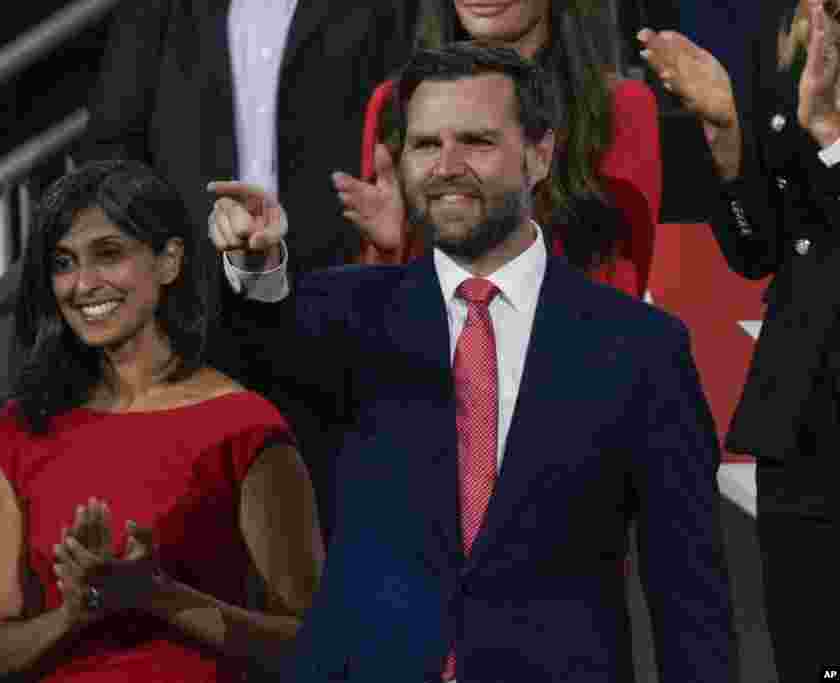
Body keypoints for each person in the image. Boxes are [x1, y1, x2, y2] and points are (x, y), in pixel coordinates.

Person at [208, 44, 733, 682]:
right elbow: (250, 363)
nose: (447, 167)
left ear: (539, 156)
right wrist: (255, 271)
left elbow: (689, 594)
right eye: (426, 145)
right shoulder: (342, 316)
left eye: (477, 142)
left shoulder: (641, 348)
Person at [0, 160, 325, 682]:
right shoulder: (23, 430)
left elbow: (312, 645)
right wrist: (76, 611)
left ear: (168, 261)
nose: (83, 284)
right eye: (64, 263)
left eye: (108, 254)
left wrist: (159, 597)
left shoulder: (242, 426)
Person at [78, 0, 419, 539]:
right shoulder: (161, 13)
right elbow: (112, 148)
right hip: (197, 302)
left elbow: (406, 123)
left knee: (338, 520)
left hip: (334, 292)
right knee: (207, 533)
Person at [639, 1, 840, 679]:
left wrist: (832, 140)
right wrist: (726, 131)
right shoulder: (792, 49)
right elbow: (759, 249)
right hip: (803, 430)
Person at [336, 0, 662, 299]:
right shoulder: (393, 102)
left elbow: (622, 296)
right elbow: (381, 308)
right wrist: (389, 252)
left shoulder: (621, 109)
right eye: (428, 144)